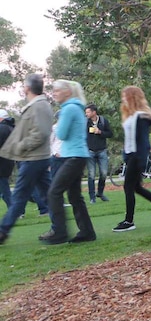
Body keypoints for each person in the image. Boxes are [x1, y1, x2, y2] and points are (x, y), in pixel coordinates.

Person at [0, 74, 53, 245]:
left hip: (33, 158)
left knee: (19, 196)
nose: (23, 88)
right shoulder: (36, 106)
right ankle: (59, 229)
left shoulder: (39, 106)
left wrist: (21, 146)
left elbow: (41, 133)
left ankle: (2, 231)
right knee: (49, 195)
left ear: (28, 88)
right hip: (35, 158)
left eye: (24, 86)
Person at [44, 80, 96, 244]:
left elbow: (62, 134)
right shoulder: (76, 108)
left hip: (73, 156)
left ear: (67, 92)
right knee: (74, 196)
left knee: (54, 192)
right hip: (77, 155)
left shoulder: (68, 109)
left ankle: (60, 232)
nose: (54, 93)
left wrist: (57, 127)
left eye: (57, 90)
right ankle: (87, 232)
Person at [113, 86, 151, 232]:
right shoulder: (131, 115)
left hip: (137, 156)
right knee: (136, 188)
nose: (123, 99)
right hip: (131, 156)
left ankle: (129, 221)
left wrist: (139, 159)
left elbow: (142, 141)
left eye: (125, 96)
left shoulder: (141, 116)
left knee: (128, 187)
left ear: (132, 97)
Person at [85, 104, 113, 204]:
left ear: (94, 112)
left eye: (88, 112)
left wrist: (100, 132)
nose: (86, 114)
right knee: (91, 175)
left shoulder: (103, 121)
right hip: (90, 151)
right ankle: (92, 197)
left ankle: (100, 193)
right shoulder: (85, 122)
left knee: (104, 173)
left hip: (102, 151)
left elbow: (110, 134)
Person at [0, 110, 15, 208]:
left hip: (2, 161)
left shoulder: (2, 128)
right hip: (9, 160)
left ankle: (14, 210)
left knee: (4, 188)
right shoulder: (12, 127)